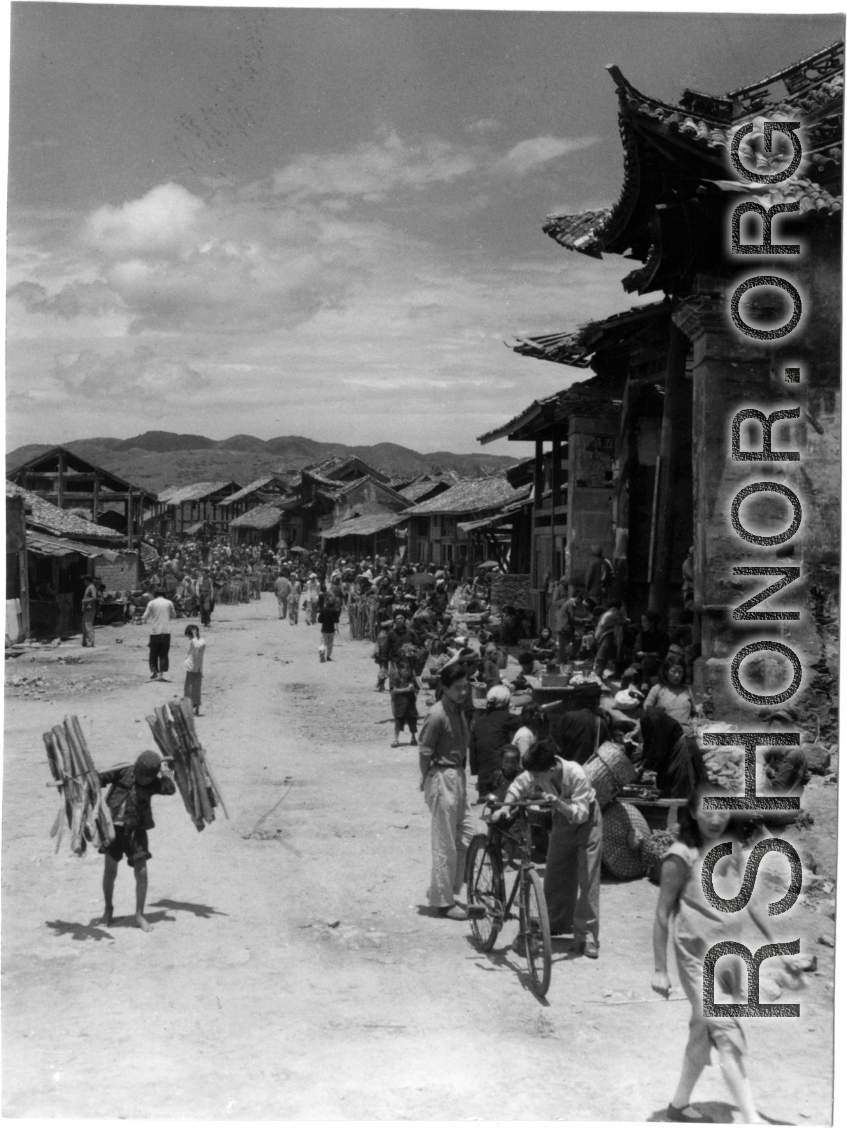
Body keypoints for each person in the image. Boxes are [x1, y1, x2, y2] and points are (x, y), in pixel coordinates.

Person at [652, 785, 788, 1123]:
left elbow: (751, 901)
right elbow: (661, 912)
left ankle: (678, 1105)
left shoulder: (731, 850)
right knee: (726, 1028)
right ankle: (753, 1119)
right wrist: (660, 969)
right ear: (693, 812)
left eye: (722, 810)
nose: (715, 819)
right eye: (707, 811)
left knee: (703, 1029)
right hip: (695, 956)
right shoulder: (680, 855)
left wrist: (776, 945)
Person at [496, 735, 602, 957]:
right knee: (555, 873)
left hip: (587, 822)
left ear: (552, 768)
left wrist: (559, 804)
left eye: (537, 775)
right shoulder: (538, 769)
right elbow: (520, 784)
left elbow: (581, 815)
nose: (534, 778)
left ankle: (587, 936)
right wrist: (506, 807)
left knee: (588, 878)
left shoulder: (577, 774)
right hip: (562, 821)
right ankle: (553, 924)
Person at [418, 663, 475, 921]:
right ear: (445, 688)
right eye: (458, 688)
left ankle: (446, 890)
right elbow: (425, 752)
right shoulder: (437, 714)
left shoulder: (459, 710)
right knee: (445, 842)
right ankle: (443, 902)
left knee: (466, 836)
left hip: (458, 776)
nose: (464, 692)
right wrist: (426, 778)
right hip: (443, 776)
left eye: (466, 687)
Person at [97, 750, 176, 932]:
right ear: (137, 770)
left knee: (142, 873)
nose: (144, 781)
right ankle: (108, 910)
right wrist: (91, 775)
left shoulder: (153, 783)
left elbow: (170, 788)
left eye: (148, 779)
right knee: (110, 869)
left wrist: (165, 772)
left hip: (136, 830)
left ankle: (139, 914)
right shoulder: (123, 771)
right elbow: (99, 779)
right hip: (113, 829)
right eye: (141, 776)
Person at [637, 708, 708, 799]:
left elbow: (657, 750)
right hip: (673, 750)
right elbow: (649, 744)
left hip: (682, 750)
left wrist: (641, 769)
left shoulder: (654, 718)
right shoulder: (646, 717)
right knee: (673, 787)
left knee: (685, 789)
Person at [469, 685, 519, 800]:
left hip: (483, 776)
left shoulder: (479, 721)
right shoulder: (505, 717)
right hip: (500, 775)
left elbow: (473, 750)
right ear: (506, 703)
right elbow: (525, 721)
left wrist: (475, 772)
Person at [643, 657, 698, 735]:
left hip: (687, 733)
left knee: (719, 739)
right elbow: (646, 712)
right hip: (666, 735)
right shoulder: (657, 689)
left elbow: (694, 714)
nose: (677, 675)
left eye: (680, 672)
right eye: (673, 671)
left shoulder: (687, 690)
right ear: (666, 672)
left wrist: (695, 724)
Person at [142, 589, 176, 681]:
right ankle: (161, 674)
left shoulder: (151, 603)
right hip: (166, 631)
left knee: (153, 653)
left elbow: (145, 617)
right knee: (164, 653)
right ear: (164, 594)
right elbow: (174, 616)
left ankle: (155, 672)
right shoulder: (169, 602)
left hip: (154, 631)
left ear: (154, 594)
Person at [390, 658, 420, 748]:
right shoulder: (396, 679)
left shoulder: (412, 679)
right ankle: (396, 740)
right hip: (400, 705)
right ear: (400, 670)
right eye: (405, 670)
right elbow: (394, 690)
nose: (407, 672)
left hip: (411, 705)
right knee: (398, 722)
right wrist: (406, 689)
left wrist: (413, 689)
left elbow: (417, 691)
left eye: (409, 670)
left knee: (412, 722)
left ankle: (413, 738)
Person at [182, 624, 205, 715]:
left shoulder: (201, 641)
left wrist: (194, 636)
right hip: (190, 668)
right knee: (188, 689)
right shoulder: (193, 641)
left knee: (195, 689)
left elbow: (197, 646)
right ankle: (189, 708)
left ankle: (196, 708)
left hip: (196, 669)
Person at [317, 595, 340, 661]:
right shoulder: (333, 611)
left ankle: (322, 655)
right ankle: (328, 656)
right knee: (330, 644)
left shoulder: (323, 610)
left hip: (324, 629)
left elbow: (319, 620)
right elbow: (337, 620)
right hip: (331, 629)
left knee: (323, 643)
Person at [81, 574, 98, 648]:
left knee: (88, 625)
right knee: (84, 626)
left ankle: (91, 642)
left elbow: (94, 597)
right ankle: (85, 642)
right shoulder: (89, 587)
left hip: (90, 609)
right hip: (87, 609)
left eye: (85, 581)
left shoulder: (91, 587)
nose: (84, 583)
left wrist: (85, 601)